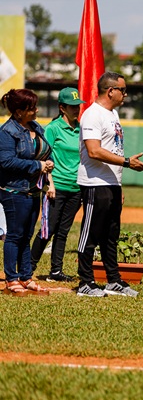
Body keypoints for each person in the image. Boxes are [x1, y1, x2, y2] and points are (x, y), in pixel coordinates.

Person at [76, 72, 143, 297]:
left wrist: (119, 184)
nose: (125, 94)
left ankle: (113, 280)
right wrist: (128, 162)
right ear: (110, 91)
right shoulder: (92, 114)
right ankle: (85, 283)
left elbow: (112, 148)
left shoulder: (114, 114)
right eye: (123, 90)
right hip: (94, 183)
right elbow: (94, 150)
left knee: (111, 235)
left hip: (111, 183)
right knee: (90, 233)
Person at [0, 89, 54, 295]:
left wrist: (48, 167)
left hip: (33, 190)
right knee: (14, 235)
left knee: (27, 234)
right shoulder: (7, 132)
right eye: (32, 108)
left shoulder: (35, 127)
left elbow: (46, 151)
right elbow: (6, 161)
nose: (37, 110)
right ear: (19, 111)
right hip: (14, 191)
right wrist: (37, 166)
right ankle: (11, 279)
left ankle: (25, 277)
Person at [30, 87, 85, 282]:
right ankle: (29, 267)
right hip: (57, 187)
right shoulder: (53, 128)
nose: (76, 110)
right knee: (47, 229)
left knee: (63, 231)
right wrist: (49, 185)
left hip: (76, 188)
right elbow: (45, 157)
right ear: (62, 107)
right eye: (72, 106)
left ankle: (56, 271)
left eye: (78, 106)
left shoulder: (81, 129)